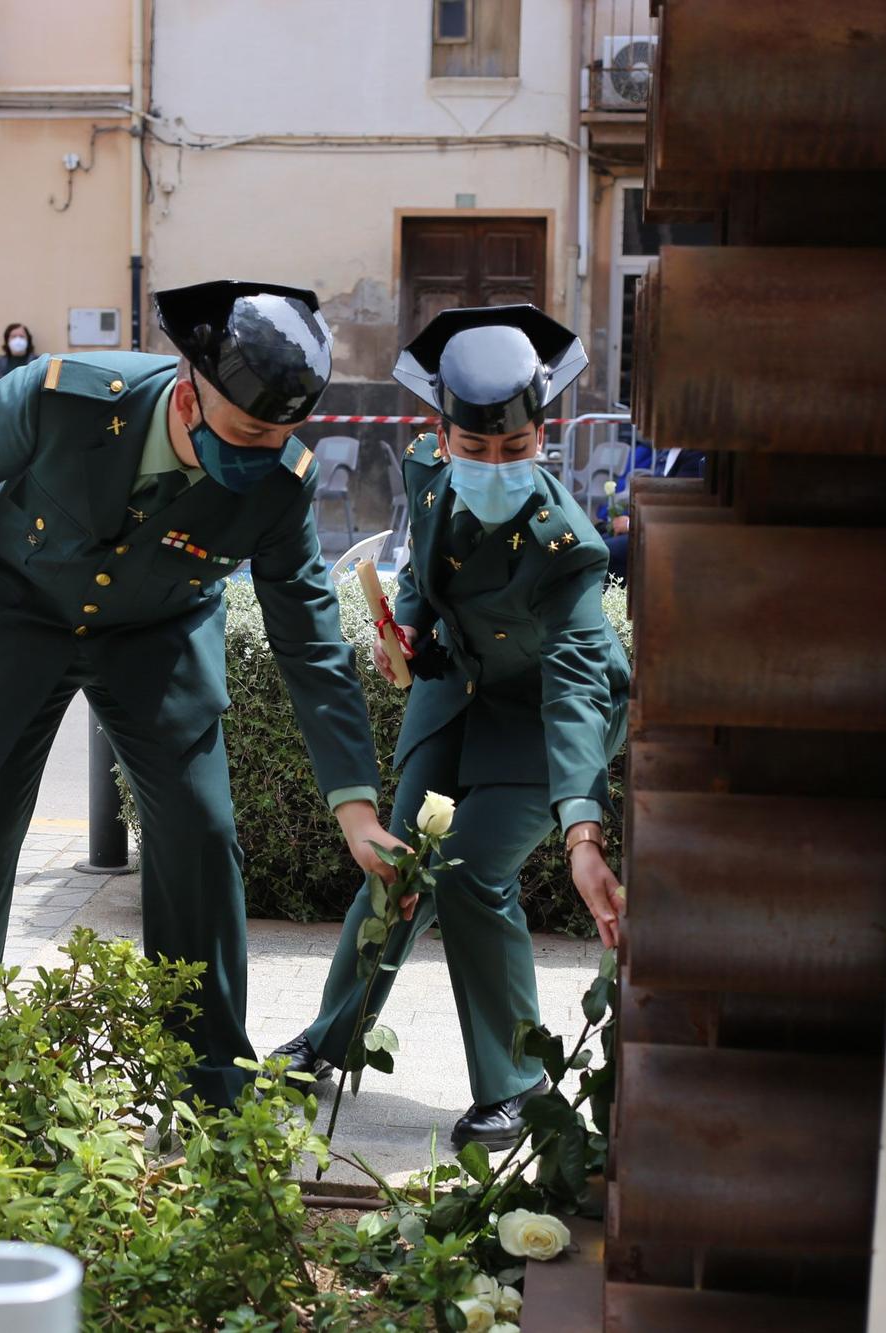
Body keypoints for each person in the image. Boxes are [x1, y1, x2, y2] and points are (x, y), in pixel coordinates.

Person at [0, 280, 401, 1107]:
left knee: (201, 833)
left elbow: (309, 637)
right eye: (245, 433)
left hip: (157, 633)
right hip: (15, 611)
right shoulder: (65, 399)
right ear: (191, 393)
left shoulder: (281, 482)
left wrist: (355, 802)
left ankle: (208, 1075)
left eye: (279, 437)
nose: (260, 455)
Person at [272, 305, 630, 1149]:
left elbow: (577, 682)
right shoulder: (431, 469)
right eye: (477, 448)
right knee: (397, 870)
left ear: (543, 435)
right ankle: (332, 1036)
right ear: (444, 432)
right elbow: (426, 579)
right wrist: (406, 631)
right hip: (458, 698)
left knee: (469, 872)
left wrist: (582, 830)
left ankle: (514, 1081)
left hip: (543, 724)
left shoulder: (566, 547)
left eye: (516, 449)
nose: (496, 465)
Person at [603, 444, 705, 585]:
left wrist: (629, 524)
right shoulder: (666, 453)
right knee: (600, 538)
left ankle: (614, 601)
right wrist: (627, 516)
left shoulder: (694, 456)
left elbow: (676, 506)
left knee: (606, 551)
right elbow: (654, 495)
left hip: (669, 531)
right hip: (650, 524)